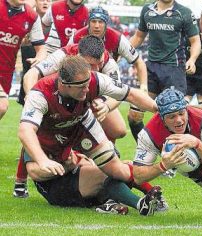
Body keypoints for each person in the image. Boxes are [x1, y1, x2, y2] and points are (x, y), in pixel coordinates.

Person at [18, 55, 162, 215]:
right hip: (51, 152)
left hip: (81, 126)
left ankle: (151, 194)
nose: (87, 90)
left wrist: (160, 110)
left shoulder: (94, 80)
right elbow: (25, 131)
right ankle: (129, 201)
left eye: (88, 84)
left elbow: (131, 94)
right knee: (102, 174)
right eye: (81, 86)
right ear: (63, 84)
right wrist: (44, 160)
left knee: (117, 169)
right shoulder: (40, 95)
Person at [13, 35, 125, 198]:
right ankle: (20, 181)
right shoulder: (63, 56)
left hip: (91, 98)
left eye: (97, 65)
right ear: (79, 57)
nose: (93, 70)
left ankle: (100, 157)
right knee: (35, 132)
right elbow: (32, 74)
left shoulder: (109, 64)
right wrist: (32, 96)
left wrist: (106, 105)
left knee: (119, 130)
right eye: (89, 65)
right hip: (57, 99)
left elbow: (120, 93)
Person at [68, 6, 148, 142]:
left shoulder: (117, 39)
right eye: (93, 21)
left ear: (106, 24)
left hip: (104, 86)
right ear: (88, 22)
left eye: (101, 22)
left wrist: (144, 86)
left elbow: (139, 62)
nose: (97, 26)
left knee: (119, 130)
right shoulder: (76, 37)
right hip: (78, 87)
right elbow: (66, 65)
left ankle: (108, 150)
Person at [129, 0, 201, 140]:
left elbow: (195, 41)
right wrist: (122, 51)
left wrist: (192, 59)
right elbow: (138, 36)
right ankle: (146, 149)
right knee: (134, 115)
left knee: (175, 117)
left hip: (174, 70)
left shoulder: (184, 13)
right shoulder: (147, 10)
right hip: (151, 69)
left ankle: (186, 155)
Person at [25, 148, 162, 216]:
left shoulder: (72, 123)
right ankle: (141, 205)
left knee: (121, 165)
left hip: (76, 181)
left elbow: (83, 157)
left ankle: (108, 203)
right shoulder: (37, 133)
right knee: (107, 171)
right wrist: (66, 167)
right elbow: (33, 172)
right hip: (55, 188)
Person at [0, 0, 46, 121]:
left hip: (6, 72)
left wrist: (39, 58)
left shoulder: (31, 16)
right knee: (2, 105)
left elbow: (42, 49)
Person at [18, 0, 52, 106]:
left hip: (48, 75)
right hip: (29, 72)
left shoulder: (55, 23)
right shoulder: (27, 18)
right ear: (35, 2)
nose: (45, 3)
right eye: (42, 0)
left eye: (48, 0)